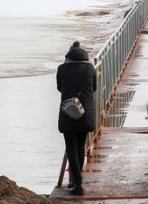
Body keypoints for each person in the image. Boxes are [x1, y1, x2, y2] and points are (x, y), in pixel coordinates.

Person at [57, 41, 96, 196]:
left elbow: (60, 87)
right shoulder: (90, 68)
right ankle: (76, 181)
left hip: (69, 112)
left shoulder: (62, 69)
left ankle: (77, 183)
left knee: (71, 148)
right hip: (86, 112)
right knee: (80, 147)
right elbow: (93, 88)